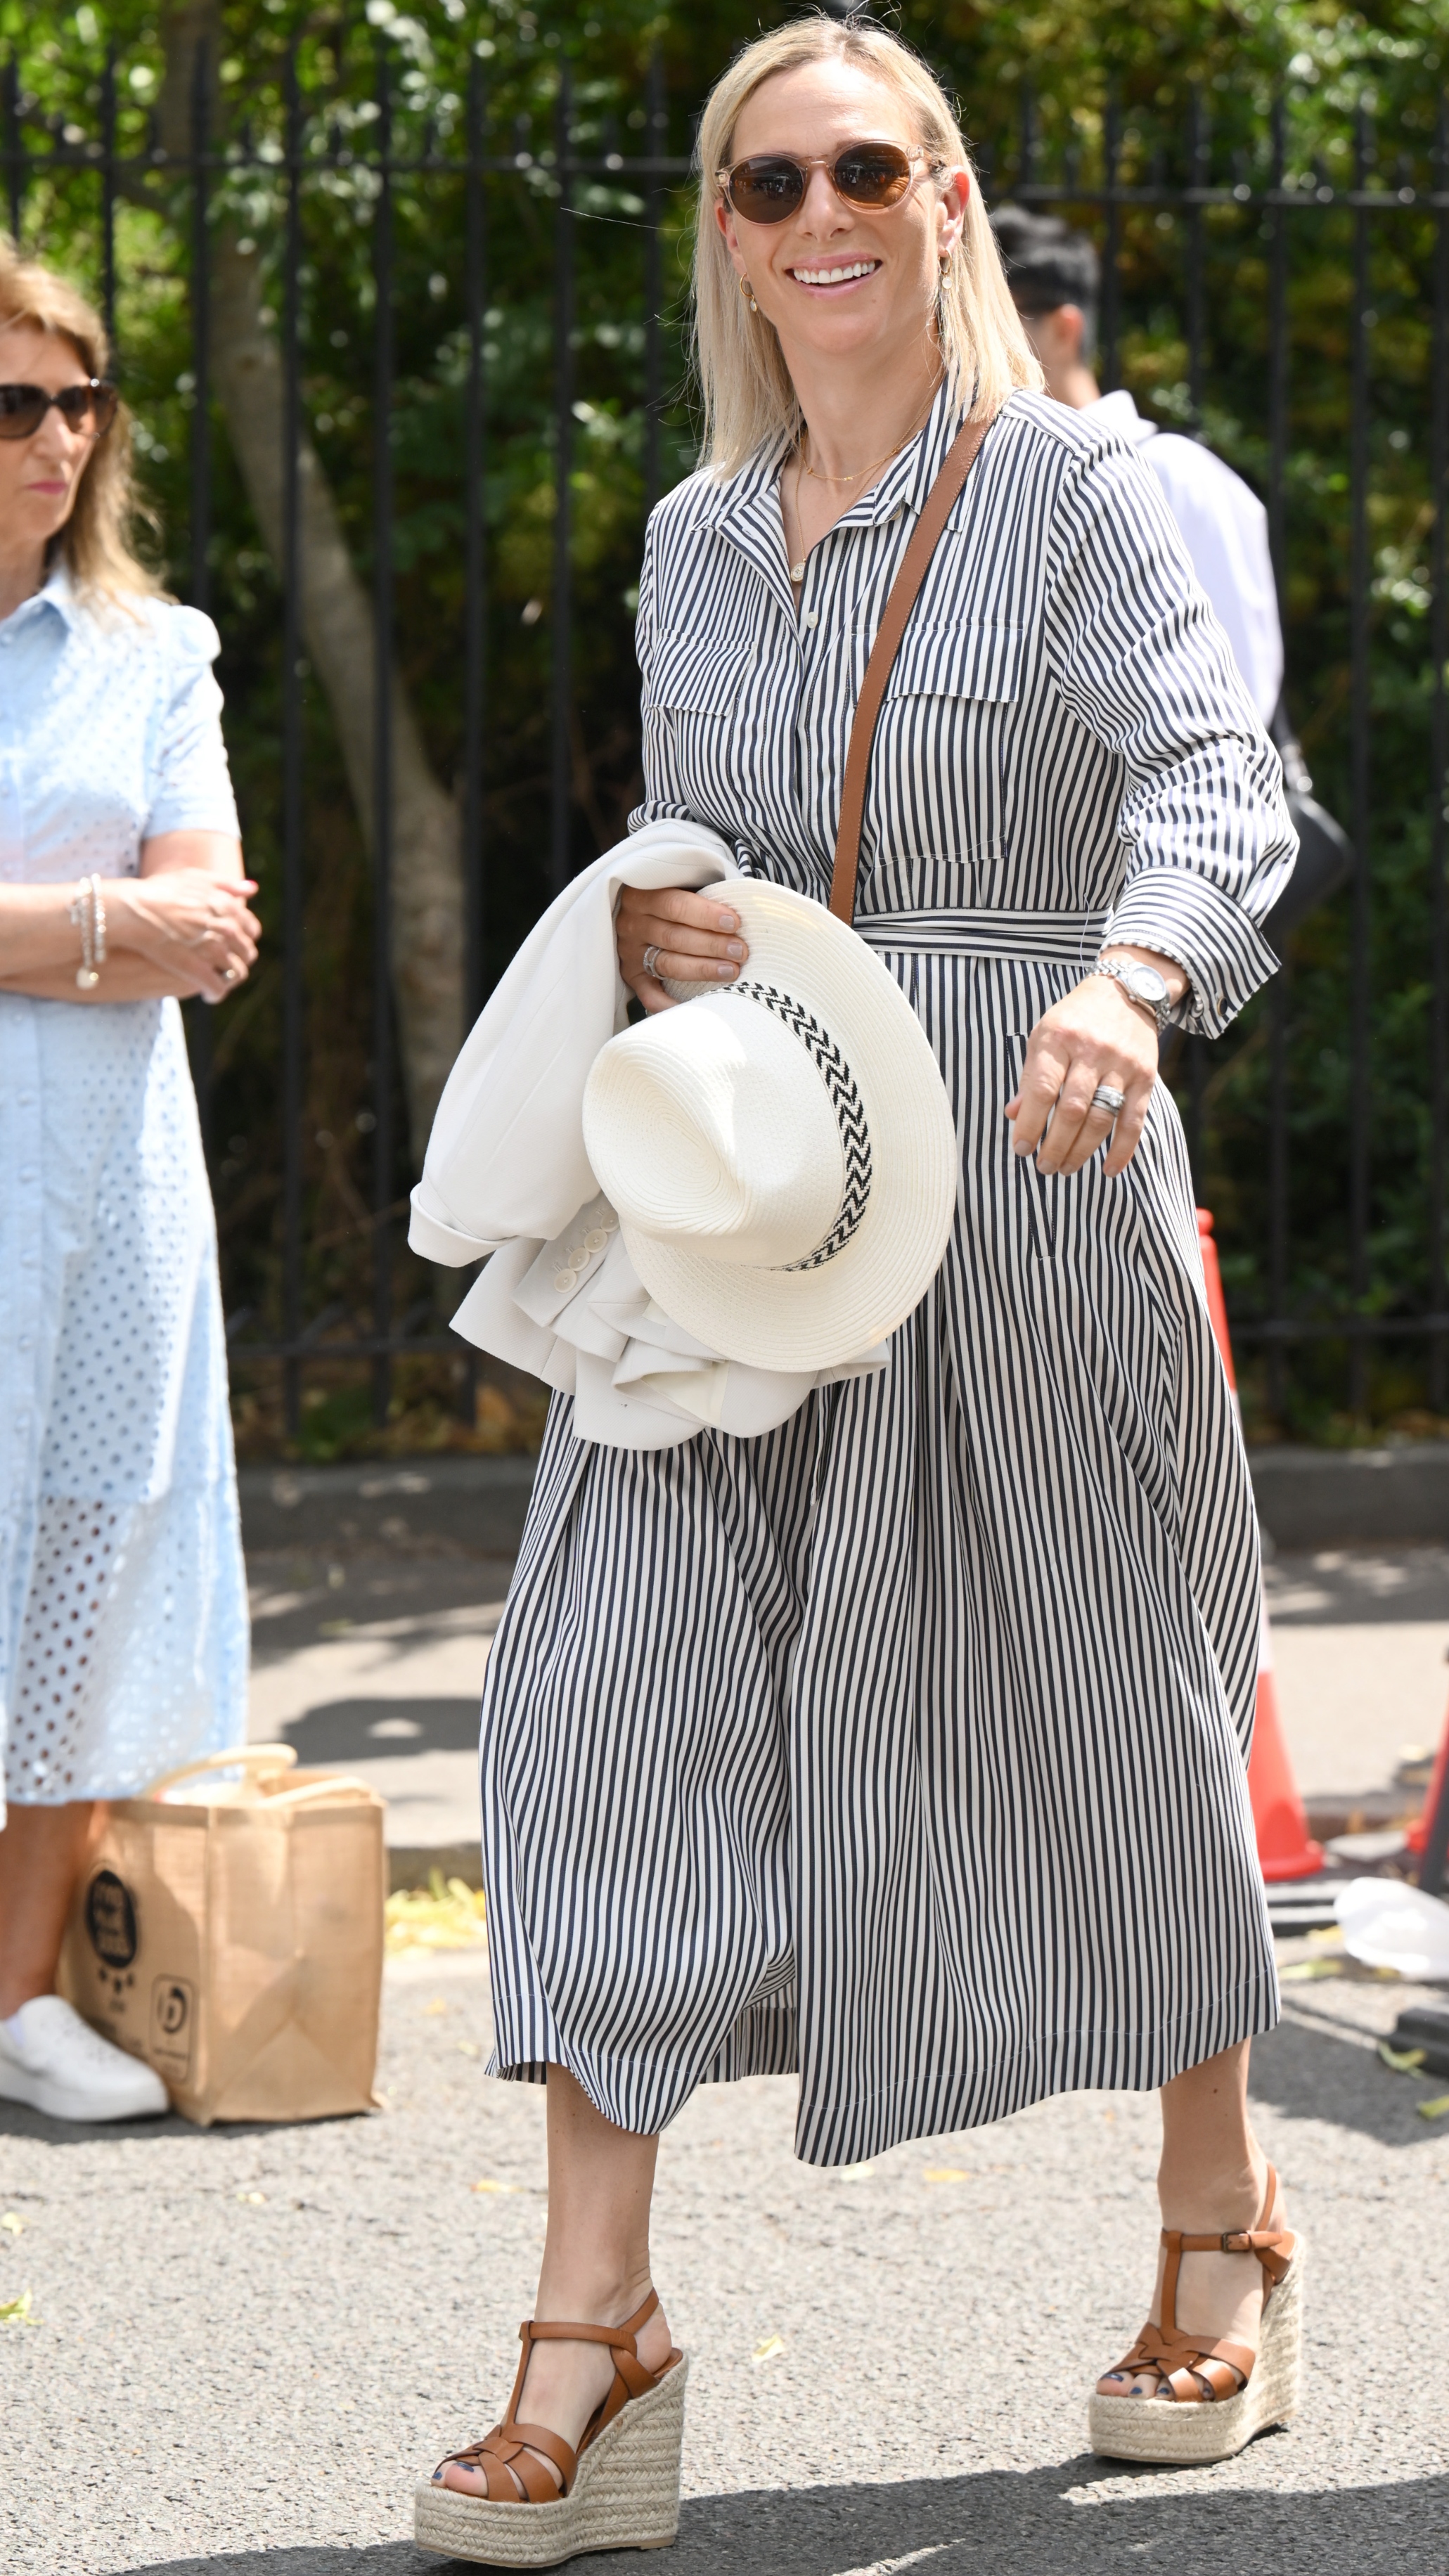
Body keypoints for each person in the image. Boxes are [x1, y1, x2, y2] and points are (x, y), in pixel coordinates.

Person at [418, 18, 1299, 2558]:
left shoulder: (1088, 495)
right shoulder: (695, 542)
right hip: (761, 1194)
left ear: (944, 197)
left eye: (861, 168)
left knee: (1109, 1697)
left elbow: (1216, 783)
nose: (813, 212)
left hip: (1024, 1164)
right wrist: (661, 907)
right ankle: (599, 2336)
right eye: (760, 176)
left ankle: (1217, 2217)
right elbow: (705, 828)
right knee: (602, 1697)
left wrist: (1127, 986)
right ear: (721, 224)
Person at [0, 241, 258, 2126]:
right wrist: (107, 919)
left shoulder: (157, 654)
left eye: (78, 399)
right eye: (17, 404)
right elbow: (153, 916)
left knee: (82, 1572)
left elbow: (216, 926)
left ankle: (14, 1997)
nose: (57, 439)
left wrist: (73, 930)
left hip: (108, 1194)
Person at [987, 202, 1282, 726]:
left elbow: (1238, 707)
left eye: (991, 325)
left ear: (1063, 329)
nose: (967, 350)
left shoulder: (1173, 475)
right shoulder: (987, 486)